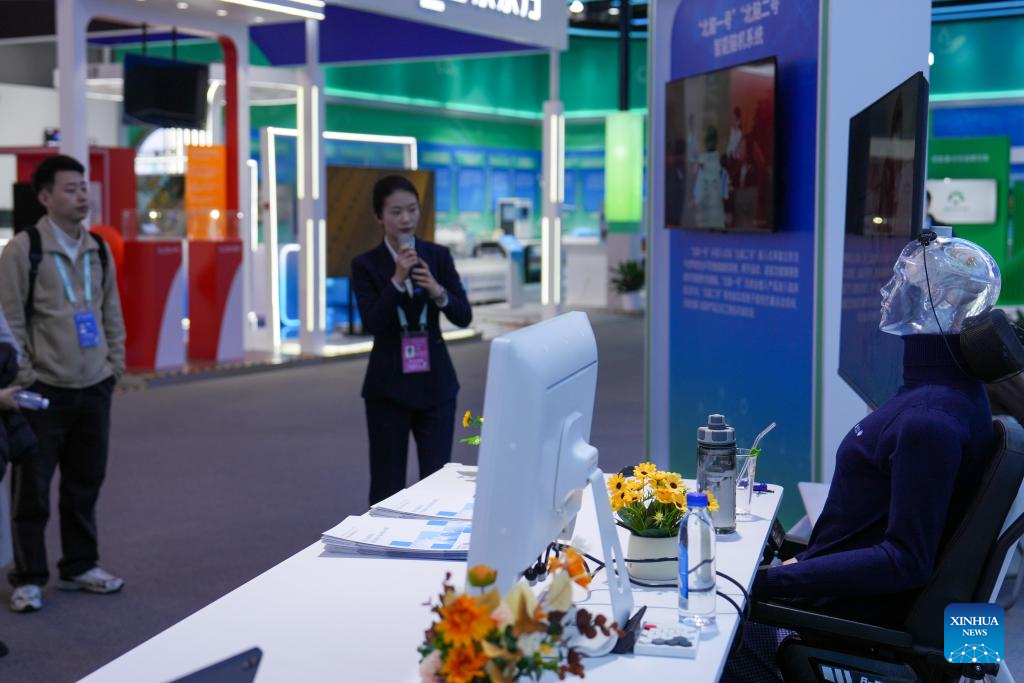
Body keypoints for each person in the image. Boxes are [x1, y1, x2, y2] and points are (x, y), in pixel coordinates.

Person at [724, 233, 1000, 681]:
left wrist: (763, 582)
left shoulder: (929, 420)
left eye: (903, 281)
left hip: (836, 625)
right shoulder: (949, 396)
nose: (887, 291)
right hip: (829, 603)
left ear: (944, 301)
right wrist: (795, 567)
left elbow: (904, 560)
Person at [0, 154, 126, 613]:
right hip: (43, 389)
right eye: (70, 189)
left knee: (84, 483)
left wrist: (114, 365)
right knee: (31, 489)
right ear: (45, 197)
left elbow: (110, 310)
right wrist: (25, 378)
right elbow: (10, 320)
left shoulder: (99, 247)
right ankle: (29, 577)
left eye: (84, 187)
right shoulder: (23, 249)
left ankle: (79, 566)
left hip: (94, 384)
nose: (81, 196)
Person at [351, 175, 472, 506]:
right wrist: (396, 281)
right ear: (379, 216)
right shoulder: (365, 265)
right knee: (387, 485)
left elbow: (464, 315)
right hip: (387, 388)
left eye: (412, 210)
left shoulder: (437, 256)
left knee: (438, 481)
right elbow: (373, 323)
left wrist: (437, 290)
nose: (406, 219)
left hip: (436, 386)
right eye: (396, 212)